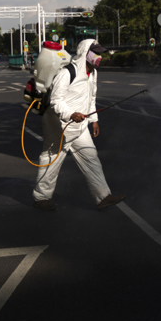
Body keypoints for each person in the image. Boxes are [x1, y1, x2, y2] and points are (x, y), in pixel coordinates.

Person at [32, 39, 124, 211]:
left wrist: (93, 120)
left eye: (100, 53)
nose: (99, 56)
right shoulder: (67, 73)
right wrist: (70, 114)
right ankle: (41, 197)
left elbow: (91, 98)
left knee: (91, 157)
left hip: (80, 126)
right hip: (59, 125)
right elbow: (55, 100)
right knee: (52, 159)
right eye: (96, 53)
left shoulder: (93, 73)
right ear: (85, 53)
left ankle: (103, 196)